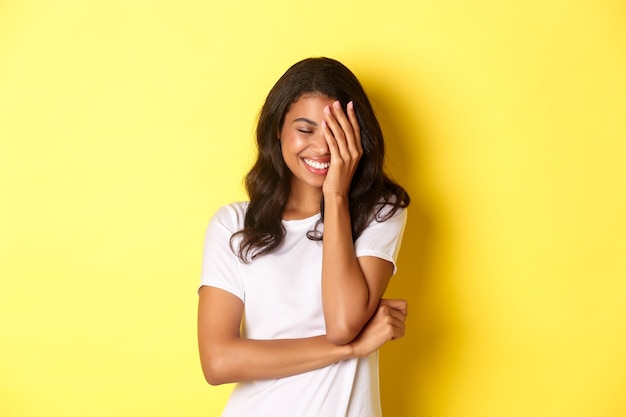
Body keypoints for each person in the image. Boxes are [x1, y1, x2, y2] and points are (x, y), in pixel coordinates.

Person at [197, 57, 410, 417]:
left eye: (336, 133)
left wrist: (336, 195)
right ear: (277, 129)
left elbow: (343, 323)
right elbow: (218, 361)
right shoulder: (234, 224)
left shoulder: (381, 211)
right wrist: (350, 350)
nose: (322, 148)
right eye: (305, 129)